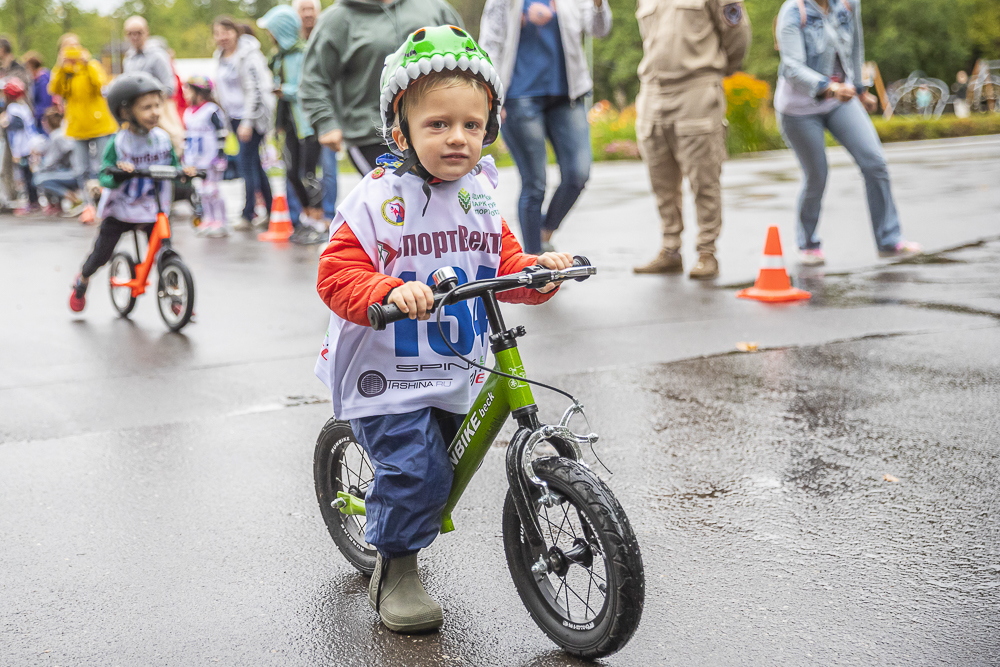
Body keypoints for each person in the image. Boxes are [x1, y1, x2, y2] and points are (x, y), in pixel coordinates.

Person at [315, 26, 575, 634]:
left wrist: (537, 273)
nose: (457, 138)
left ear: (490, 127)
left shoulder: (480, 194)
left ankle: (414, 508)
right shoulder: (375, 201)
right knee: (415, 471)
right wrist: (385, 290)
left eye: (472, 125)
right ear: (401, 130)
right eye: (437, 125)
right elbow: (336, 274)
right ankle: (396, 568)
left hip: (454, 365)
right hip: (389, 375)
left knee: (442, 460)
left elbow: (503, 268)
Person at [775, 0, 920, 265]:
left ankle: (889, 240)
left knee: (874, 162)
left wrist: (861, 89)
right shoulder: (795, 11)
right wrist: (829, 88)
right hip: (799, 109)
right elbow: (791, 67)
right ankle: (807, 243)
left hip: (841, 99)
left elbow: (855, 48)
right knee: (817, 175)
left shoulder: (848, 5)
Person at [479, 0, 611, 254]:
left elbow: (600, 30)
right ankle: (533, 261)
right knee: (535, 184)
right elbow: (490, 44)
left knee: (577, 174)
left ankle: (544, 232)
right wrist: (493, 97)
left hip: (566, 96)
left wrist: (598, 5)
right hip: (519, 98)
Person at [631, 0, 750, 279]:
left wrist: (717, 71)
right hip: (652, 90)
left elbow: (737, 34)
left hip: (695, 86)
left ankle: (707, 252)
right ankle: (670, 249)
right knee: (661, 180)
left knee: (704, 176)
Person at [69, 72, 195, 313]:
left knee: (165, 252)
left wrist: (183, 173)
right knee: (102, 254)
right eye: (146, 108)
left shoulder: (162, 139)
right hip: (121, 209)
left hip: (152, 208)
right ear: (126, 112)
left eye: (157, 105)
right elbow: (105, 175)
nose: (155, 112)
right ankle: (82, 280)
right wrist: (117, 173)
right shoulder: (119, 143)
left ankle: (176, 297)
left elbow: (172, 166)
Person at [299, 0, 462, 176]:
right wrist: (325, 122)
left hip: (437, 127)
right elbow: (313, 77)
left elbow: (467, 57)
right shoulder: (337, 19)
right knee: (396, 199)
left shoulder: (433, 7)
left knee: (441, 199)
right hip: (373, 134)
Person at [257, 5, 326, 245]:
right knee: (291, 172)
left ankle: (318, 221)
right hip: (289, 126)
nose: (269, 35)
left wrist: (282, 91)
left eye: (272, 30)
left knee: (308, 174)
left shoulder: (302, 53)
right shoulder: (278, 57)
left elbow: (308, 88)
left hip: (307, 125)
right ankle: (307, 219)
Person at [213, 16, 276, 230]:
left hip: (251, 117)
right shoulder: (220, 57)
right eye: (218, 33)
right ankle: (271, 209)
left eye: (226, 32)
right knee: (255, 164)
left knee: (245, 164)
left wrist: (247, 122)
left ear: (236, 32)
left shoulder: (248, 55)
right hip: (233, 117)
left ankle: (248, 213)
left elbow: (254, 90)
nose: (222, 37)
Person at [49, 38, 119, 224]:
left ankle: (105, 203)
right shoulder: (65, 72)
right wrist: (60, 67)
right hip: (78, 128)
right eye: (66, 48)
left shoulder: (92, 65)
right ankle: (88, 206)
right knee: (82, 169)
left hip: (100, 126)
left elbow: (101, 84)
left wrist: (86, 64)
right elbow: (54, 89)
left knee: (102, 166)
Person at [295, 0, 339, 223]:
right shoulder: (295, 42)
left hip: (327, 114)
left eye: (310, 9)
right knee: (306, 170)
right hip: (302, 118)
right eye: (303, 10)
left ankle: (330, 215)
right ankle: (313, 212)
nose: (307, 14)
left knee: (329, 168)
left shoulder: (326, 34)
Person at [182, 76, 229, 237]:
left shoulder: (211, 110)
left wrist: (221, 155)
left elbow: (221, 134)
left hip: (212, 159)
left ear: (200, 92)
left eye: (189, 91)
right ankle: (208, 219)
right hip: (196, 160)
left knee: (212, 190)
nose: (186, 94)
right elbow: (187, 137)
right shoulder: (189, 113)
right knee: (202, 191)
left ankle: (221, 221)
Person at [31, 107, 82, 215]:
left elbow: (50, 162)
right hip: (77, 171)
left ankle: (71, 197)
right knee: (47, 175)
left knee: (39, 179)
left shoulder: (56, 137)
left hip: (74, 173)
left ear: (47, 123)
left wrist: (37, 167)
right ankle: (59, 203)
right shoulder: (64, 132)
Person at [0, 78, 40, 214]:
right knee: (29, 175)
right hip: (30, 145)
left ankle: (32, 202)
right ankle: (33, 201)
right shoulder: (24, 107)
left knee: (26, 176)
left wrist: (16, 152)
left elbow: (17, 132)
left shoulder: (13, 109)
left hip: (23, 148)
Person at [21, 52, 54, 132]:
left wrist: (34, 114)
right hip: (40, 119)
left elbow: (45, 103)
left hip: (44, 120)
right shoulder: (37, 80)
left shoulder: (43, 80)